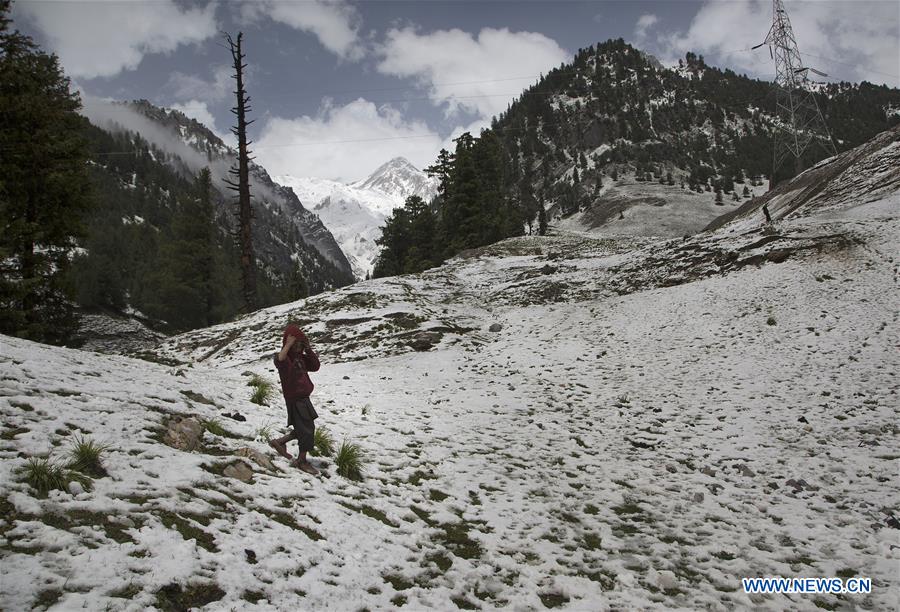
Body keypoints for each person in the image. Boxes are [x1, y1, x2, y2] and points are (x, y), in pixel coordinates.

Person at [269, 324, 321, 475]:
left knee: (303, 427)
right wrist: (288, 344)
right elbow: (280, 358)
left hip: (303, 397)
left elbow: (315, 365)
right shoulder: (285, 359)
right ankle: (302, 461)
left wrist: (308, 348)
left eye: (300, 345)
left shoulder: (300, 358)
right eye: (296, 344)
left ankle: (279, 442)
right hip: (295, 399)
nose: (298, 347)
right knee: (306, 428)